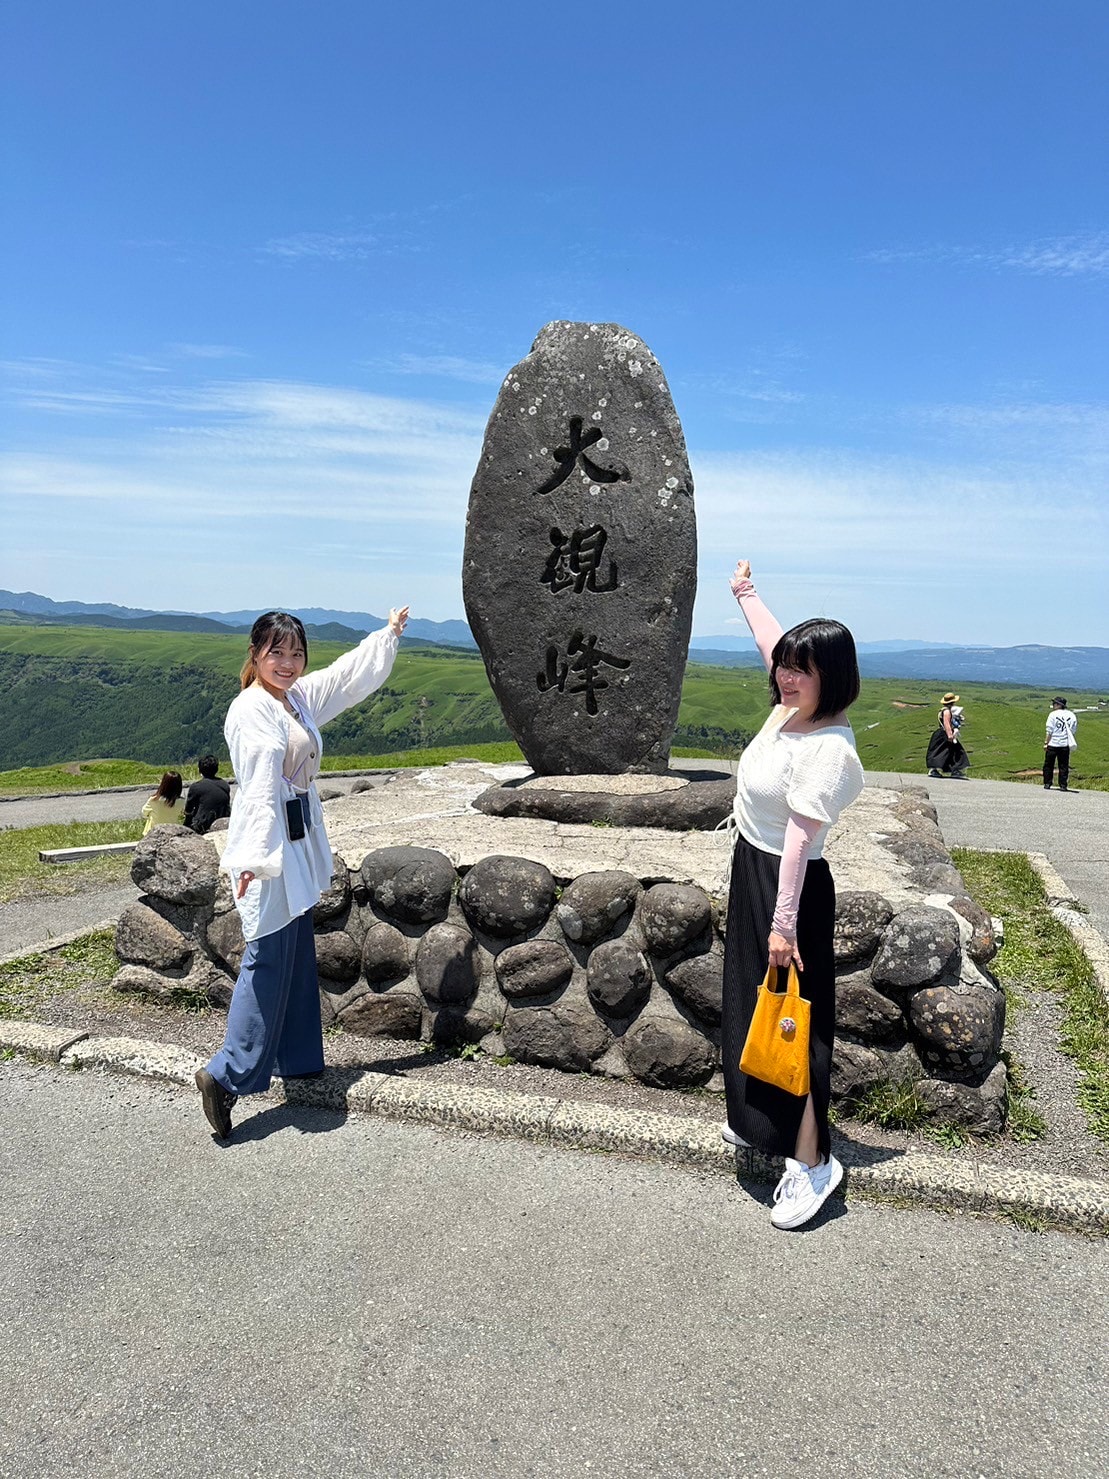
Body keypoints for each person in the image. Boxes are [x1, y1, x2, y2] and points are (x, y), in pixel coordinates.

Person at [194, 604, 409, 1140]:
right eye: (277, 653)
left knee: (295, 948)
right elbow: (260, 787)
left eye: (296, 653)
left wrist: (385, 636)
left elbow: (344, 679)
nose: (288, 663)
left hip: (296, 839)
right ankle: (225, 1074)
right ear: (256, 654)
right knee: (267, 955)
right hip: (270, 845)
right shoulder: (251, 711)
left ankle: (298, 1057)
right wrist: (251, 860)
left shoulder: (294, 699)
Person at [721, 560, 865, 1230]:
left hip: (791, 889)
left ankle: (810, 1160)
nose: (785, 675)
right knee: (755, 1009)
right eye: (784, 666)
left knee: (792, 1022)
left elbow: (802, 843)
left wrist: (783, 924)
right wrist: (745, 593)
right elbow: (768, 643)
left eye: (801, 669)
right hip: (754, 867)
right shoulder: (786, 712)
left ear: (830, 676)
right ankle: (762, 1123)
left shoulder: (830, 748)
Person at [183, 754, 232, 835]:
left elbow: (189, 810)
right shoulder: (225, 784)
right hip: (223, 822)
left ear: (200, 770)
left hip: (202, 826)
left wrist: (186, 825)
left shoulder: (196, 787)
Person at [926, 691, 968, 779]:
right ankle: (953, 770)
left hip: (940, 733)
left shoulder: (943, 710)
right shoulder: (947, 712)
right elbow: (947, 723)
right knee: (955, 751)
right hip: (945, 734)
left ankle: (951, 770)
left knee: (944, 751)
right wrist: (950, 735)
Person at [1043, 696, 1078, 791]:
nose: (1053, 705)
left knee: (1048, 765)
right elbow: (1073, 730)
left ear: (1058, 705)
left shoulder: (1052, 715)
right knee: (1063, 765)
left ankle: (1047, 783)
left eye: (1054, 703)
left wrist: (1046, 742)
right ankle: (1063, 785)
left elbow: (1049, 731)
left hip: (1053, 744)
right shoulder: (1072, 715)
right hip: (1065, 744)